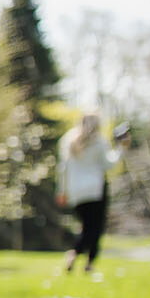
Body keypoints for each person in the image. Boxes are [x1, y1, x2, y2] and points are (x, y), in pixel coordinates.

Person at [57, 111, 118, 275]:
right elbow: (109, 165)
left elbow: (63, 169)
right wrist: (121, 150)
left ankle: (75, 254)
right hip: (95, 190)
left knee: (86, 227)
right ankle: (88, 263)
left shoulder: (68, 140)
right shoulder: (99, 141)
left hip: (75, 191)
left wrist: (61, 191)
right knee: (95, 227)